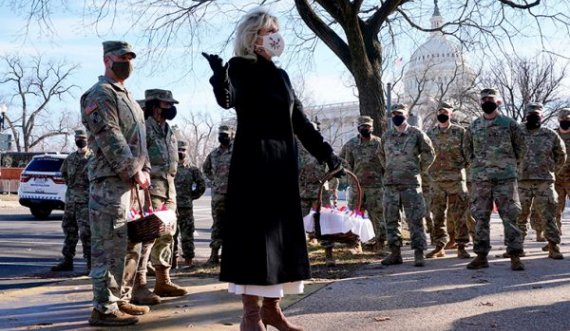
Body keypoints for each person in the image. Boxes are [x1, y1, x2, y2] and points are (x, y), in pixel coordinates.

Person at [203, 7, 343, 331]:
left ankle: (272, 310)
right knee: (253, 240)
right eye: (270, 31)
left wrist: (327, 153)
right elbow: (229, 100)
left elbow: (301, 122)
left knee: (280, 241)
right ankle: (251, 316)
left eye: (277, 30)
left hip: (282, 167)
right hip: (252, 164)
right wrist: (218, 77)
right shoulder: (239, 68)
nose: (276, 36)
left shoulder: (281, 75)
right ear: (253, 38)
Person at [81, 40, 151, 326]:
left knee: (130, 243)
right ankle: (103, 308)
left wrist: (143, 169)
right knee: (108, 244)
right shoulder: (99, 94)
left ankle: (121, 298)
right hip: (110, 183)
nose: (128, 62)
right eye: (123, 57)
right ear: (107, 60)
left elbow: (139, 141)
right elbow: (110, 137)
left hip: (131, 183)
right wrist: (134, 170)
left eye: (131, 57)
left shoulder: (128, 97)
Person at [125, 89, 188, 307]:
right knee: (146, 239)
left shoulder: (168, 130)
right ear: (155, 106)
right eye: (166, 104)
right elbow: (136, 160)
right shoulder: (142, 128)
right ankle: (139, 285)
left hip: (168, 190)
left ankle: (163, 280)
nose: (170, 108)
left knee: (167, 235)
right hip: (149, 191)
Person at [463, 88, 526, 271]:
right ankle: (481, 256)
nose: (486, 101)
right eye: (483, 99)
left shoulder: (509, 124)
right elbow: (467, 150)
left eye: (490, 99)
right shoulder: (474, 126)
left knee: (510, 216)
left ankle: (515, 255)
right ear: (480, 102)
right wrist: (477, 167)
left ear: (498, 102)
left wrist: (510, 165)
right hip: (481, 180)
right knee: (480, 217)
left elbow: (520, 148)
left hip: (505, 179)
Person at [379, 103, 435, 267]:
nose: (397, 116)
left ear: (407, 114)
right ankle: (395, 253)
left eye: (400, 113)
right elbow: (381, 155)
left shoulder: (416, 133)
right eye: (394, 113)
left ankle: (419, 253)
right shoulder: (387, 136)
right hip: (390, 185)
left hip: (410, 184)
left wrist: (418, 169)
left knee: (415, 219)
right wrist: (389, 169)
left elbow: (429, 153)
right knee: (391, 219)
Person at [512, 103, 565, 259]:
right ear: (526, 116)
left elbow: (561, 155)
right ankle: (516, 247)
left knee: (549, 214)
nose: (533, 117)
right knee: (519, 216)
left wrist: (551, 170)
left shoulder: (550, 134)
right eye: (530, 115)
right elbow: (507, 152)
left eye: (537, 114)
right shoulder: (516, 132)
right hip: (521, 181)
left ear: (542, 116)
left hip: (544, 181)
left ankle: (553, 247)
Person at [426, 102, 471, 259]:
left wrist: (458, 167)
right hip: (436, 181)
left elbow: (468, 154)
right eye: (440, 111)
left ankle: (462, 246)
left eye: (445, 111)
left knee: (459, 214)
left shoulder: (460, 132)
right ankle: (439, 246)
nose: (442, 114)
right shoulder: (430, 134)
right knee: (437, 215)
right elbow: (425, 156)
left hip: (456, 180)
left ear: (451, 114)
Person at [340, 115, 386, 256]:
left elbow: (386, 163)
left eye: (368, 126)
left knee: (378, 216)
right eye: (362, 126)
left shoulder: (380, 143)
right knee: (354, 216)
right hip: (357, 188)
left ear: (372, 127)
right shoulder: (351, 145)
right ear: (358, 128)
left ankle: (380, 243)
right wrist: (348, 180)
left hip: (376, 187)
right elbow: (345, 163)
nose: (365, 128)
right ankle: (355, 244)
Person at [51, 129, 92, 273]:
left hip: (86, 202)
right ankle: (67, 260)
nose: (79, 140)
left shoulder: (93, 158)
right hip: (71, 201)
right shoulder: (70, 159)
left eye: (82, 138)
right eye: (77, 138)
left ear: (88, 139)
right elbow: (64, 174)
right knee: (69, 230)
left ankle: (90, 264)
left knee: (86, 233)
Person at [202, 125, 234, 264]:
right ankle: (214, 254)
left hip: (235, 195)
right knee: (217, 225)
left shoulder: (239, 152)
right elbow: (206, 169)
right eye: (220, 134)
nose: (222, 137)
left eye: (225, 134)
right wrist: (214, 182)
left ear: (232, 135)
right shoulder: (214, 154)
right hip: (218, 196)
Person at [174, 140, 206, 268]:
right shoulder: (170, 166)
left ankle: (188, 261)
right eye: (178, 150)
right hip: (171, 207)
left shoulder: (192, 169)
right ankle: (172, 262)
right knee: (171, 236)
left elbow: (201, 185)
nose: (180, 152)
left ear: (187, 151)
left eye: (183, 150)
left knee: (187, 235)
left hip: (186, 207)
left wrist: (192, 196)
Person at [555, 108, 570, 236]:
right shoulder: (552, 135)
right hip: (556, 179)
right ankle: (555, 237)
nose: (565, 121)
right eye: (563, 119)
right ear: (558, 120)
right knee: (555, 209)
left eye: (568, 119)